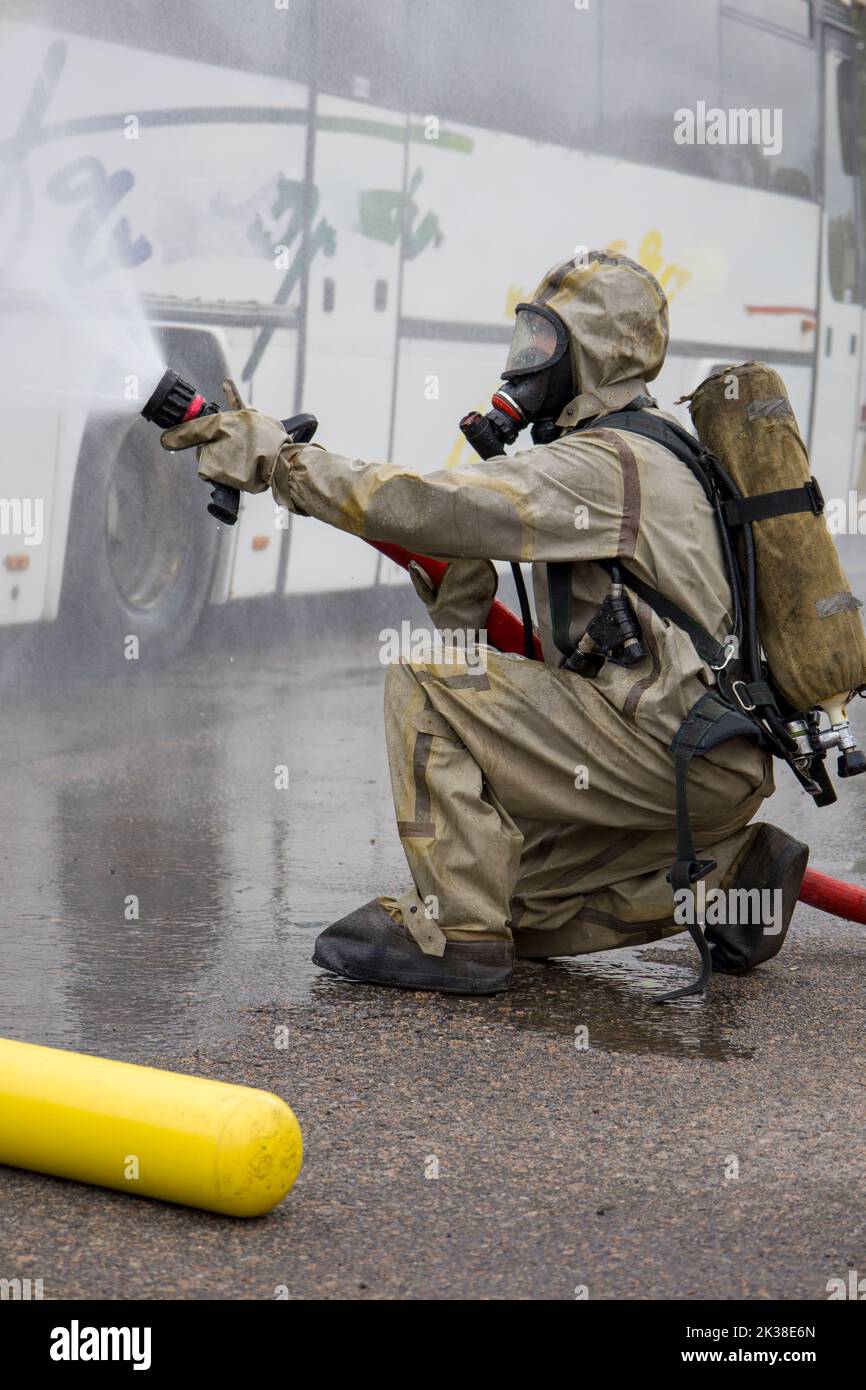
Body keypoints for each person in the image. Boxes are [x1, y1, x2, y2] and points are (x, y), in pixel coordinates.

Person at [162, 250, 807, 998]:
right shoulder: (655, 450)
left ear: (592, 353)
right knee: (519, 904)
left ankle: (456, 937)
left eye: (544, 344)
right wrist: (460, 581)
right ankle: (729, 884)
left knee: (426, 684)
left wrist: (284, 464)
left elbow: (434, 503)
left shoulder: (606, 462)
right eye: (523, 340)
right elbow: (480, 559)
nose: (523, 363)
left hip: (665, 742)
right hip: (710, 758)